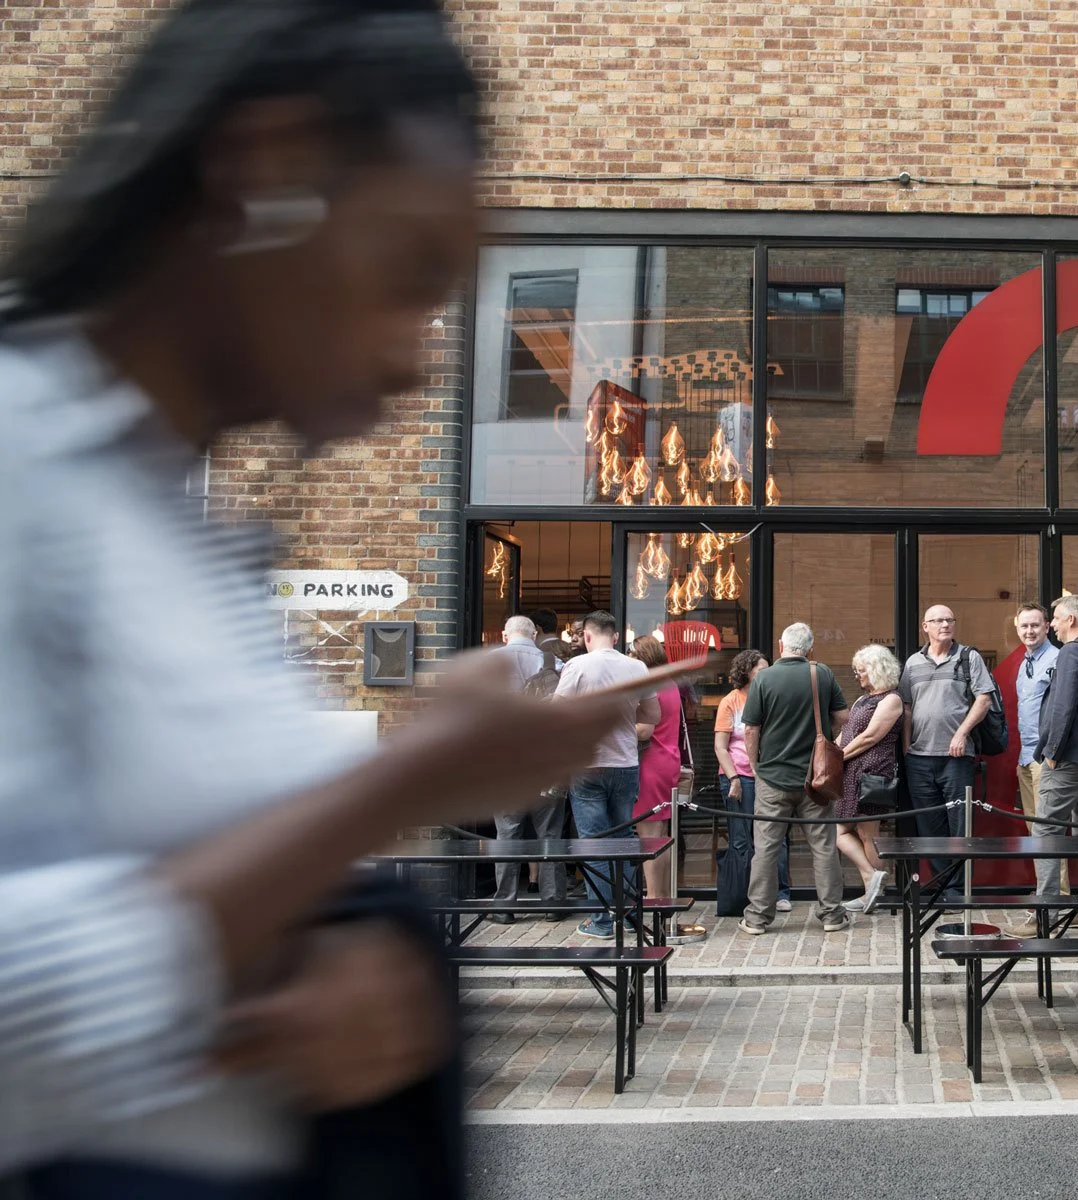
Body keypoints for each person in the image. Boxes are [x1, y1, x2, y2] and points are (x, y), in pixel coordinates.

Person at [0, 0, 678, 1181]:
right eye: (408, 272)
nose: (416, 352)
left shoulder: (170, 524)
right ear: (271, 170)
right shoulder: (28, 468)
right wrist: (401, 785)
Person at [740, 623, 851, 935]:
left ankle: (758, 918)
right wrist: (826, 739)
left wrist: (755, 765)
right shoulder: (822, 673)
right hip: (815, 780)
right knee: (824, 847)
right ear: (810, 649)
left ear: (780, 646)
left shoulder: (764, 678)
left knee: (766, 848)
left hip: (772, 779)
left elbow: (751, 728)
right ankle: (831, 915)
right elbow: (844, 717)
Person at [556, 611, 659, 940]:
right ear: (615, 637)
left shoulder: (577, 667)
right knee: (623, 840)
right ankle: (627, 914)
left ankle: (602, 919)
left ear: (587, 636)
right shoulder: (636, 667)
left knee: (595, 843)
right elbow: (653, 713)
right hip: (625, 763)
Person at [1012, 595, 1078, 934]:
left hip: (1067, 758)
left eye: (1054, 617)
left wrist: (1050, 751)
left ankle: (1045, 915)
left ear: (1070, 620)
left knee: (1047, 831)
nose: (1051, 623)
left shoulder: (1069, 653)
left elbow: (1063, 705)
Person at [899, 603, 998, 901]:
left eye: (949, 619)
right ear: (925, 626)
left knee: (960, 827)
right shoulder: (913, 663)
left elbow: (984, 700)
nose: (944, 624)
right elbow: (906, 707)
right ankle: (944, 887)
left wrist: (961, 733)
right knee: (930, 828)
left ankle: (957, 891)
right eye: (937, 620)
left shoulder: (969, 657)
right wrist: (906, 746)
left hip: (956, 758)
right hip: (919, 759)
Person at [490, 615, 568, 922]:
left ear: (504, 635)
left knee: (507, 834)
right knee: (550, 833)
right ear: (535, 634)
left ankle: (505, 906)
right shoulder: (555, 664)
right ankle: (553, 904)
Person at [714, 649, 791, 911]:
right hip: (740, 778)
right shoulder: (731, 701)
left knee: (775, 836)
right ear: (746, 672)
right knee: (741, 838)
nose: (767, 673)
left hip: (770, 777)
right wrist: (733, 777)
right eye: (762, 669)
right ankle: (746, 894)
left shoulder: (772, 697)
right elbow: (720, 747)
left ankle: (780, 894)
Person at [838, 644, 905, 913]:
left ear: (876, 670)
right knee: (843, 831)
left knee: (867, 834)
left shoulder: (892, 700)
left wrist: (837, 757)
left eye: (861, 671)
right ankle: (872, 882)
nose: (857, 676)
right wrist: (824, 755)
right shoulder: (861, 700)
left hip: (872, 774)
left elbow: (870, 737)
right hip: (851, 772)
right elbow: (846, 734)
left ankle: (873, 890)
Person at [1013, 602, 1064, 891]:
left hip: (1045, 758)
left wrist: (1051, 754)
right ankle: (1045, 889)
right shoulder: (1024, 663)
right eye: (1024, 626)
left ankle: (1059, 895)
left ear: (1047, 627)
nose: (1029, 631)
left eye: (1035, 625)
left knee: (1049, 830)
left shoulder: (1057, 659)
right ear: (1017, 629)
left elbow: (1062, 711)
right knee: (1035, 830)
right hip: (1026, 757)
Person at [631, 635, 685, 902]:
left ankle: (653, 899)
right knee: (660, 835)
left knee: (649, 837)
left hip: (650, 762)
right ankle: (661, 896)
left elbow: (643, 730)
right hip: (668, 760)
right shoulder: (671, 683)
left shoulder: (649, 686)